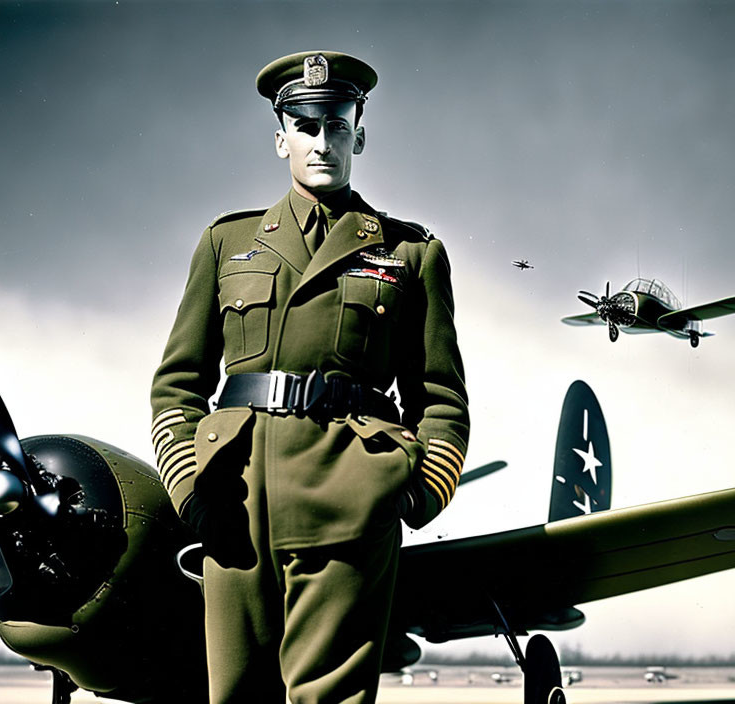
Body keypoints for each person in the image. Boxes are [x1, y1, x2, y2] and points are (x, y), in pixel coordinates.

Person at [150, 50, 469, 704]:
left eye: (336, 124)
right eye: (305, 125)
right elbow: (177, 385)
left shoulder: (410, 252)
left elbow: (440, 398)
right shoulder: (226, 243)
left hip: (347, 502)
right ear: (280, 137)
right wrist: (189, 487)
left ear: (359, 133)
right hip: (232, 507)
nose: (321, 141)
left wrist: (411, 492)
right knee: (233, 696)